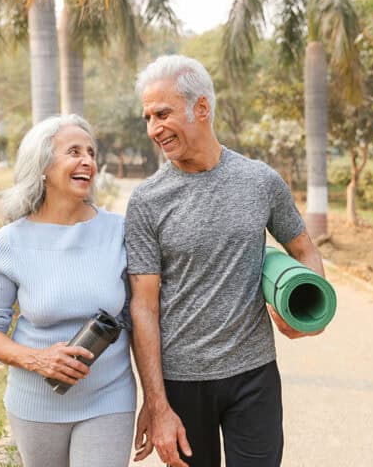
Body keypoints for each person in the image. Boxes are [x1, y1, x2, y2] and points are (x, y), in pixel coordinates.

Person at [125, 55, 327, 467]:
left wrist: (310, 315)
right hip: (182, 384)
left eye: (162, 114)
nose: (154, 129)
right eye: (147, 118)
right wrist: (157, 404)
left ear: (201, 108)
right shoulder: (147, 201)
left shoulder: (260, 181)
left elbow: (304, 249)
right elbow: (143, 306)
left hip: (254, 376)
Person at [0, 115, 136, 467]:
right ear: (43, 165)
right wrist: (38, 359)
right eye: (73, 151)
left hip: (110, 397)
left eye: (91, 152)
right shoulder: (10, 242)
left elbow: (144, 314)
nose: (87, 161)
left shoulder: (119, 231)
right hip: (36, 403)